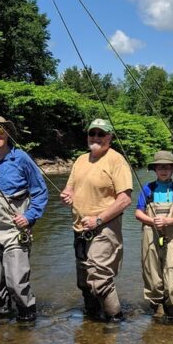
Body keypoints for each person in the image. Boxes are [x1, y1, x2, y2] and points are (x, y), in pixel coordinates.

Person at [0, 116, 48, 323]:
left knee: (16, 282)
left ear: (8, 133)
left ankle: (27, 320)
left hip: (15, 229)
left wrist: (29, 217)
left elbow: (40, 192)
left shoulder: (22, 159)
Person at [60, 119, 132, 322]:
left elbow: (125, 199)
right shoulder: (80, 160)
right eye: (92, 134)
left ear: (110, 137)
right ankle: (91, 319)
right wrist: (66, 195)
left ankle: (115, 319)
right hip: (79, 228)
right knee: (84, 280)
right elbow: (69, 189)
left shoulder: (116, 160)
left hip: (104, 228)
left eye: (101, 134)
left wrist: (98, 220)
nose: (96, 138)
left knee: (99, 279)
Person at [134, 150, 173, 320]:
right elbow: (138, 213)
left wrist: (166, 221)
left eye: (167, 167)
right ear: (155, 169)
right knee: (152, 270)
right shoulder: (147, 188)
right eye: (160, 167)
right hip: (150, 232)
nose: (163, 170)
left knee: (171, 270)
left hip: (172, 233)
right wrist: (152, 221)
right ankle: (157, 303)